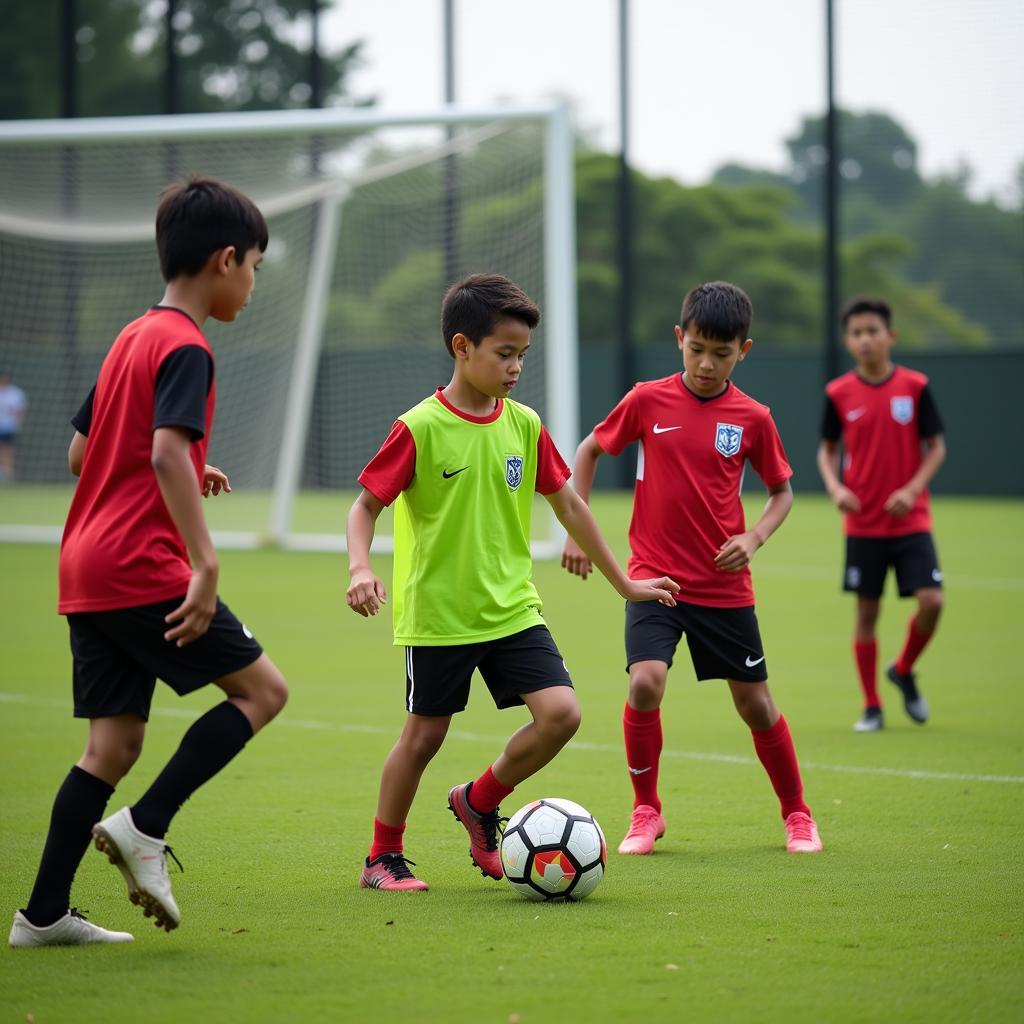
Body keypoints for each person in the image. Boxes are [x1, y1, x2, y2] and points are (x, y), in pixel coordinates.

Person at [9, 177, 289, 949]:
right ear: (225, 260)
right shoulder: (190, 347)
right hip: (140, 564)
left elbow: (79, 453)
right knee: (264, 692)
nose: (254, 284)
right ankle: (145, 828)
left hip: (85, 567)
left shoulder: (133, 336)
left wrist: (181, 466)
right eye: (255, 266)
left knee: (112, 746)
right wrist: (206, 562)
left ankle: (41, 916)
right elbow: (164, 447)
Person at [346, 273, 679, 891]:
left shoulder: (523, 425)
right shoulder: (419, 427)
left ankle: (478, 800)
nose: (516, 366)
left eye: (523, 354)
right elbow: (364, 506)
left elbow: (571, 506)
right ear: (461, 347)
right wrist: (360, 567)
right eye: (505, 353)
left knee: (562, 714)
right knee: (423, 738)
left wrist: (625, 583)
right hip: (440, 615)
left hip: (513, 609)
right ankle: (381, 857)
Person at [561, 281, 823, 856]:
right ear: (680, 338)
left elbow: (782, 493)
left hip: (724, 587)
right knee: (646, 682)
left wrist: (753, 538)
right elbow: (586, 451)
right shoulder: (646, 400)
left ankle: (798, 814)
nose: (706, 364)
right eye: (697, 348)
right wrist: (576, 529)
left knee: (755, 703)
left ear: (743, 352)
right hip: (655, 578)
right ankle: (645, 811)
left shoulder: (753, 417)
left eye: (721, 353)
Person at [817, 296, 945, 733]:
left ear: (891, 336)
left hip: (911, 520)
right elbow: (827, 450)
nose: (865, 339)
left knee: (932, 602)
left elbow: (937, 447)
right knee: (867, 614)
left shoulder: (915, 386)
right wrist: (835, 487)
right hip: (864, 524)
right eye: (856, 333)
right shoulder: (838, 393)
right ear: (848, 340)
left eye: (873, 331)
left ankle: (904, 668)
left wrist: (912, 489)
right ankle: (871, 705)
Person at [0, 370, 28, 482]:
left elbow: (20, 411)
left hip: (8, 428)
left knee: (7, 453)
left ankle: (8, 477)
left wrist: (17, 422)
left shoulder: (15, 393)